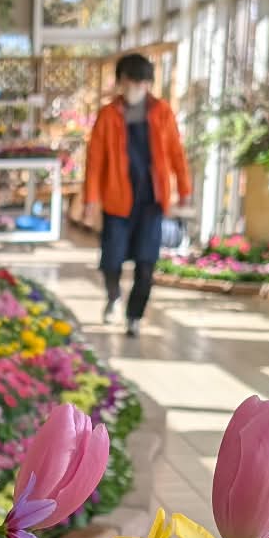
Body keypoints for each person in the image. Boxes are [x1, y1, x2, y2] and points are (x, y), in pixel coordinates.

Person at [84, 52, 191, 340]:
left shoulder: (162, 113)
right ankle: (113, 296)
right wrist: (91, 199)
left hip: (151, 202)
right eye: (132, 80)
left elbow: (176, 154)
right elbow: (95, 160)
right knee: (112, 260)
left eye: (143, 81)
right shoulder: (108, 115)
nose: (137, 86)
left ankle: (134, 316)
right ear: (121, 82)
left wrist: (184, 190)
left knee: (147, 263)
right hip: (117, 201)